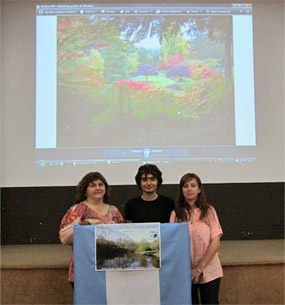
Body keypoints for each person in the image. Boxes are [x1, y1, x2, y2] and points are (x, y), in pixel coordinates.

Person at [59, 171, 124, 286]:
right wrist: (86, 223)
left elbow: (123, 239)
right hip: (84, 269)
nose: (98, 188)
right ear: (85, 190)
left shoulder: (114, 211)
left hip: (110, 269)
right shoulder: (77, 210)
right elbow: (64, 238)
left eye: (100, 184)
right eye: (92, 185)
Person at [169, 173, 223, 305]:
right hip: (185, 271)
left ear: (199, 189)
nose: (189, 189)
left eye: (193, 185)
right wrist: (189, 270)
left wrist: (199, 269)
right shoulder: (175, 214)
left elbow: (215, 242)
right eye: (185, 186)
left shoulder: (209, 211)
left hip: (209, 269)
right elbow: (173, 244)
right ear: (181, 190)